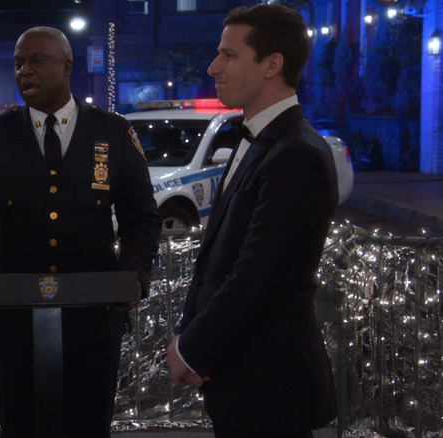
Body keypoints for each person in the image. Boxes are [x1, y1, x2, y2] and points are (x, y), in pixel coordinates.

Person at [0, 26, 161, 437]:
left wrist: (132, 276)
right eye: (18, 64)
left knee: (88, 424)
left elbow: (142, 218)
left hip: (94, 316)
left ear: (67, 67)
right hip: (15, 318)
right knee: (20, 424)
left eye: (36, 61)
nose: (24, 71)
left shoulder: (113, 132)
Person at [166, 5, 338, 438]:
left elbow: (258, 274)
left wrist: (192, 347)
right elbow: (218, 261)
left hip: (271, 383)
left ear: (272, 65)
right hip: (239, 374)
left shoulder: (297, 154)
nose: (213, 67)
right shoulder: (261, 141)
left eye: (229, 55)